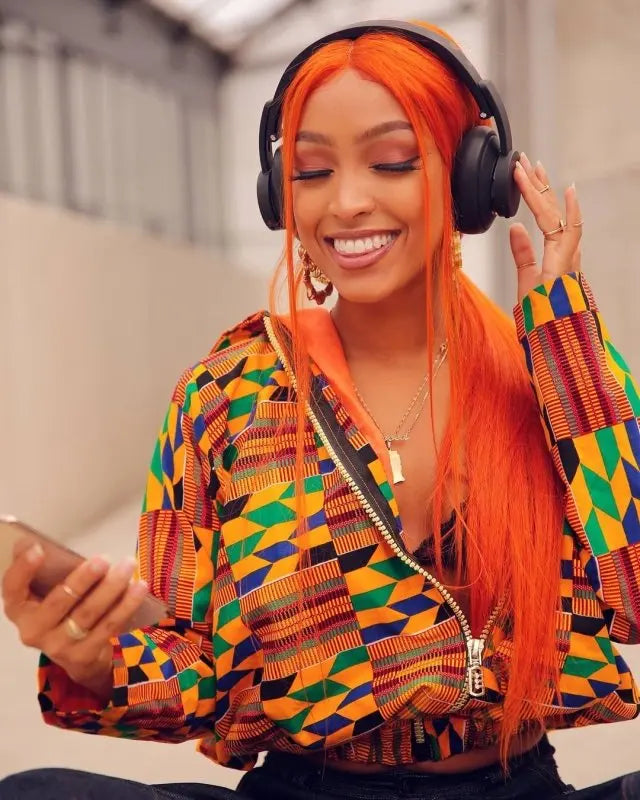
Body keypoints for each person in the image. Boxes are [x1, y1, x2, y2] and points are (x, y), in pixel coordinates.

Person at [1, 19, 639, 800]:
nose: (347, 202)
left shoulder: (549, 377)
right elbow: (196, 680)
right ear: (280, 195)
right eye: (311, 172)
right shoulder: (223, 398)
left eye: (392, 161)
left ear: (472, 176)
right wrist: (95, 660)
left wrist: (568, 350)